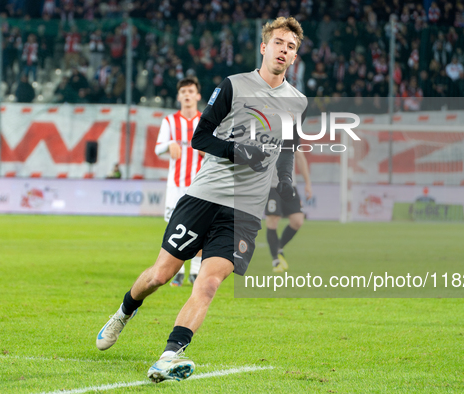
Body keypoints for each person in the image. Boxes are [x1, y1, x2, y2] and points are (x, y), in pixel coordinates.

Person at [95, 16, 307, 383]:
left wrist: (286, 181)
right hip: (204, 195)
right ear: (263, 46)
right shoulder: (235, 86)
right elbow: (200, 137)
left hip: (245, 211)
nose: (283, 50)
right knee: (161, 275)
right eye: (278, 43)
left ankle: (167, 357)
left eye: (291, 46)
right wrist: (240, 152)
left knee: (207, 284)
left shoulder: (297, 102)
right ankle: (124, 312)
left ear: (295, 56)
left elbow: (288, 148)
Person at [155, 77, 204, 286]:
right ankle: (177, 272)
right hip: (175, 186)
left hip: (200, 184)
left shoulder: (206, 121)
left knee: (200, 227)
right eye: (183, 91)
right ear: (178, 96)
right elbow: (157, 148)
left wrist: (207, 149)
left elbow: (218, 151)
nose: (187, 95)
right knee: (174, 229)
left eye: (191, 91)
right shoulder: (169, 121)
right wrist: (169, 145)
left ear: (198, 96)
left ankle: (194, 271)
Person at [265, 150, 312, 272]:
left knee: (297, 221)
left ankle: (278, 246)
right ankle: (276, 260)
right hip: (271, 186)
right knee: (273, 220)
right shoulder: (265, 133)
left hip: (290, 184)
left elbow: (300, 158)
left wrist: (308, 183)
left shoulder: (290, 134)